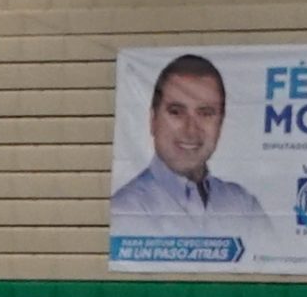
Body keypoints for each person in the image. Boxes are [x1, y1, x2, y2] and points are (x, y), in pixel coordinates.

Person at [109, 54, 266, 226]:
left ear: (220, 124)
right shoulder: (126, 209)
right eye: (176, 112)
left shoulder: (244, 207)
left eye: (206, 113)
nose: (191, 130)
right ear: (153, 120)